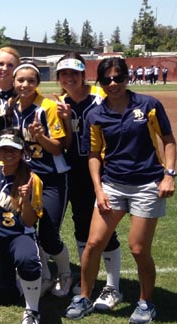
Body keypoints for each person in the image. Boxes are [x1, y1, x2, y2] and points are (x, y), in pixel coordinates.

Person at [66, 57, 176, 324]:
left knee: (138, 249)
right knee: (93, 244)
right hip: (112, 185)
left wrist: (169, 175)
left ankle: (145, 302)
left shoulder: (148, 105)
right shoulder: (96, 114)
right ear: (100, 83)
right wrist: (99, 189)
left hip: (146, 185)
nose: (113, 84)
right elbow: (94, 154)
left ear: (127, 78)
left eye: (118, 78)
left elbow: (168, 140)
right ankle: (83, 297)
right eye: (106, 80)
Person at [54, 53, 122, 309]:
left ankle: (113, 286)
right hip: (73, 171)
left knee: (105, 228)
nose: (69, 78)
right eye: (64, 74)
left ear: (84, 74)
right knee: (81, 225)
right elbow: (65, 142)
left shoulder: (100, 96)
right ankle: (87, 280)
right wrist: (64, 118)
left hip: (103, 171)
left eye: (74, 73)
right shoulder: (60, 102)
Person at [12, 61, 72, 298]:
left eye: (31, 80)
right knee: (28, 229)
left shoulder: (46, 107)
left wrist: (41, 137)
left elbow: (58, 148)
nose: (25, 84)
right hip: (26, 177)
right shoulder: (12, 107)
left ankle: (65, 273)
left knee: (48, 234)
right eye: (21, 80)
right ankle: (45, 275)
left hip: (52, 177)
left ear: (38, 83)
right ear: (14, 83)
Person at [0, 128, 43, 324]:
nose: (9, 154)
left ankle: (32, 310)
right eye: (4, 150)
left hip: (18, 235)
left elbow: (28, 222)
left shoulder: (32, 179)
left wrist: (25, 200)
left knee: (27, 261)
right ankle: (21, 284)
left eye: (14, 150)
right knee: (3, 296)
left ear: (21, 152)